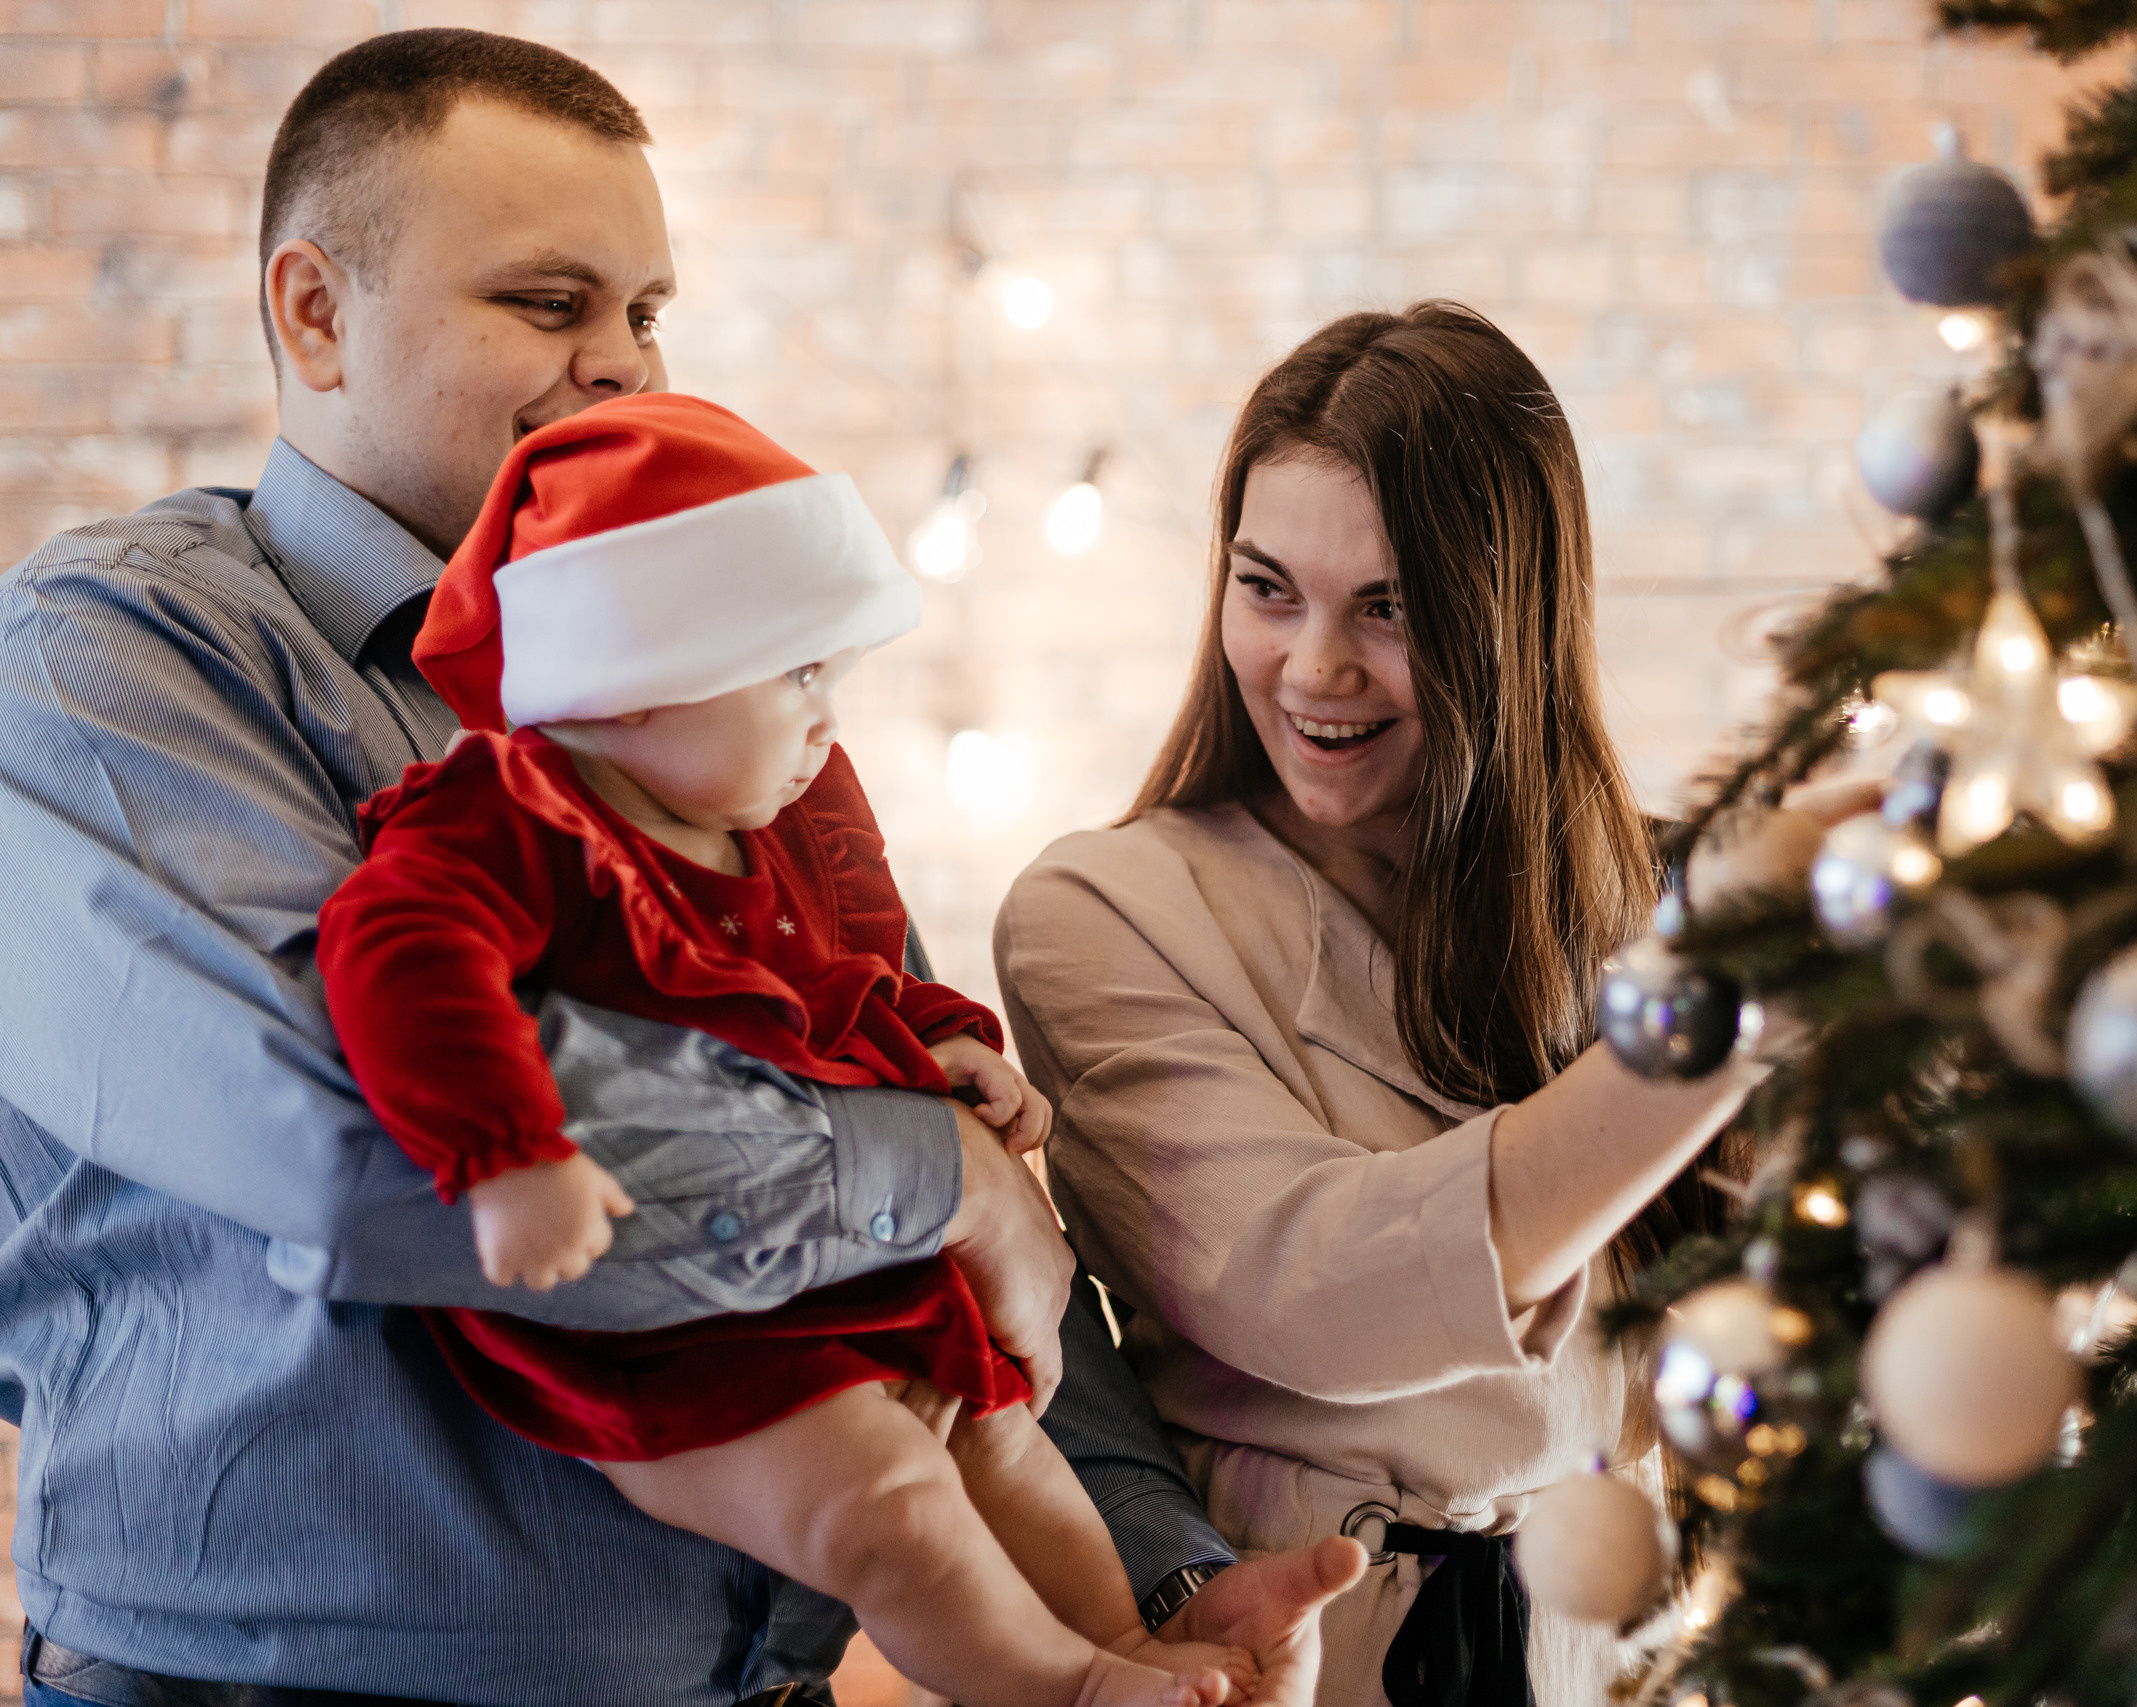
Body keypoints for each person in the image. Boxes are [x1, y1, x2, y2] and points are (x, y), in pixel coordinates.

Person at [0, 29, 1353, 1707]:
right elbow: (355, 1133)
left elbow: (934, 1165)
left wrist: (1156, 1598)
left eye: (646, 313)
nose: (621, 367)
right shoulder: (111, 657)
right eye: (548, 305)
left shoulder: (721, 688)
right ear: (312, 311)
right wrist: (923, 1170)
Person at [318, 392, 1246, 1707]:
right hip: (666, 1345)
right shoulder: (515, 812)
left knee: (1000, 1431)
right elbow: (399, 950)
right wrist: (506, 1149)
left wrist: (932, 1034)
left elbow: (838, 979)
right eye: (795, 672)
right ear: (638, 681)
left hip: (823, 1277)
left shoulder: (767, 824)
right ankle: (1067, 1692)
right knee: (891, 1504)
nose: (826, 718)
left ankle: (1130, 1645)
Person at [995, 302, 1862, 1705]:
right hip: (1285, 1651)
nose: (1314, 666)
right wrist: (1718, 1007)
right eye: (1266, 587)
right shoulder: (1106, 914)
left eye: (1387, 608)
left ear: (1507, 624)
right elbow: (1327, 1290)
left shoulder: (1636, 897)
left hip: (1619, 1643)